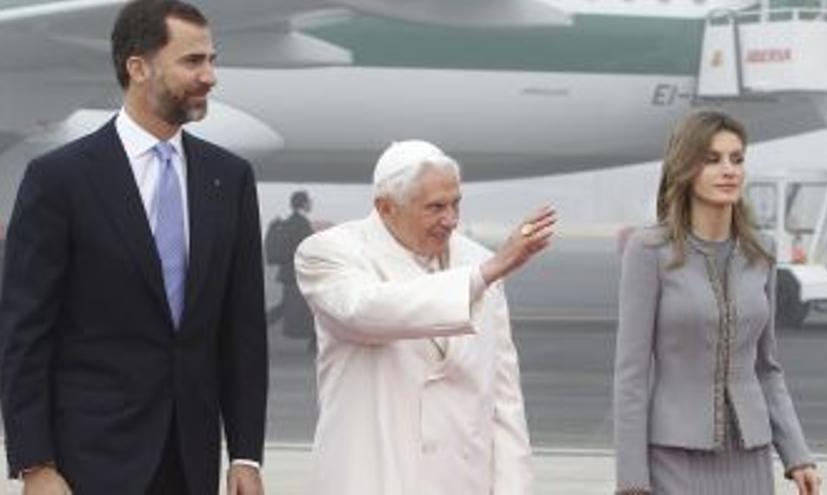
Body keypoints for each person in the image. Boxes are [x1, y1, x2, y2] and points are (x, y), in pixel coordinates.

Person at [0, 1, 267, 494]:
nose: (209, 76)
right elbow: (25, 332)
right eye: (192, 61)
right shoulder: (60, 179)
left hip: (190, 460)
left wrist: (246, 453)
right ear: (138, 68)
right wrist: (35, 463)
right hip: (88, 460)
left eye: (212, 59)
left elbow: (243, 329)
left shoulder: (228, 179)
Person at [295, 140, 555, 495]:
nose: (450, 220)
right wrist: (482, 276)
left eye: (455, 204)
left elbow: (503, 401)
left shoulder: (476, 260)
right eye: (435, 207)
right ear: (386, 208)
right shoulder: (328, 253)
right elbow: (365, 312)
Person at [613, 111, 821, 495]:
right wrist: (631, 481)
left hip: (750, 455)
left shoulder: (762, 252)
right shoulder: (648, 250)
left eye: (737, 159)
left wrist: (797, 454)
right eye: (713, 160)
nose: (729, 170)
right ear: (685, 168)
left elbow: (767, 368)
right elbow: (631, 375)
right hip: (674, 456)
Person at [266, 190, 315, 347]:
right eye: (309, 201)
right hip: (298, 274)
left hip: (290, 274)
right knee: (312, 306)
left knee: (286, 307)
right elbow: (306, 249)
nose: (311, 204)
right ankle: (314, 342)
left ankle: (314, 342)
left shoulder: (290, 222)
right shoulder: (302, 224)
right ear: (303, 203)